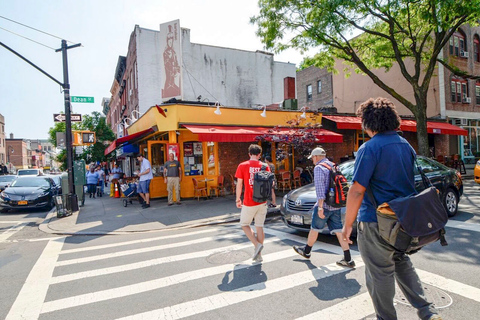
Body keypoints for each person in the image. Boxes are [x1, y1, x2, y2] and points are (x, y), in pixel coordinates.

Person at [342, 97, 441, 320]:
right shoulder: (405, 145)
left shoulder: (369, 148)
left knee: (379, 273)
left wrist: (347, 226)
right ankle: (428, 312)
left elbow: (357, 190)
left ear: (368, 123)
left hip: (376, 221)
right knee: (401, 262)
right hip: (403, 220)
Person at [292, 147, 355, 268]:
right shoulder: (333, 165)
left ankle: (306, 251)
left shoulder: (319, 168)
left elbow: (320, 190)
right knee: (338, 230)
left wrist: (320, 207)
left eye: (312, 158)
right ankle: (348, 259)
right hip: (335, 205)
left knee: (315, 228)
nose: (312, 161)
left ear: (316, 157)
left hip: (325, 205)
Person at [235, 144, 272, 263]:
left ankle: (256, 244)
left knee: (244, 224)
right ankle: (259, 255)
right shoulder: (265, 166)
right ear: (259, 154)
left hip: (249, 201)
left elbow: (239, 184)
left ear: (249, 154)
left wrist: (238, 199)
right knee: (259, 226)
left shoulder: (242, 165)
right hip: (262, 201)